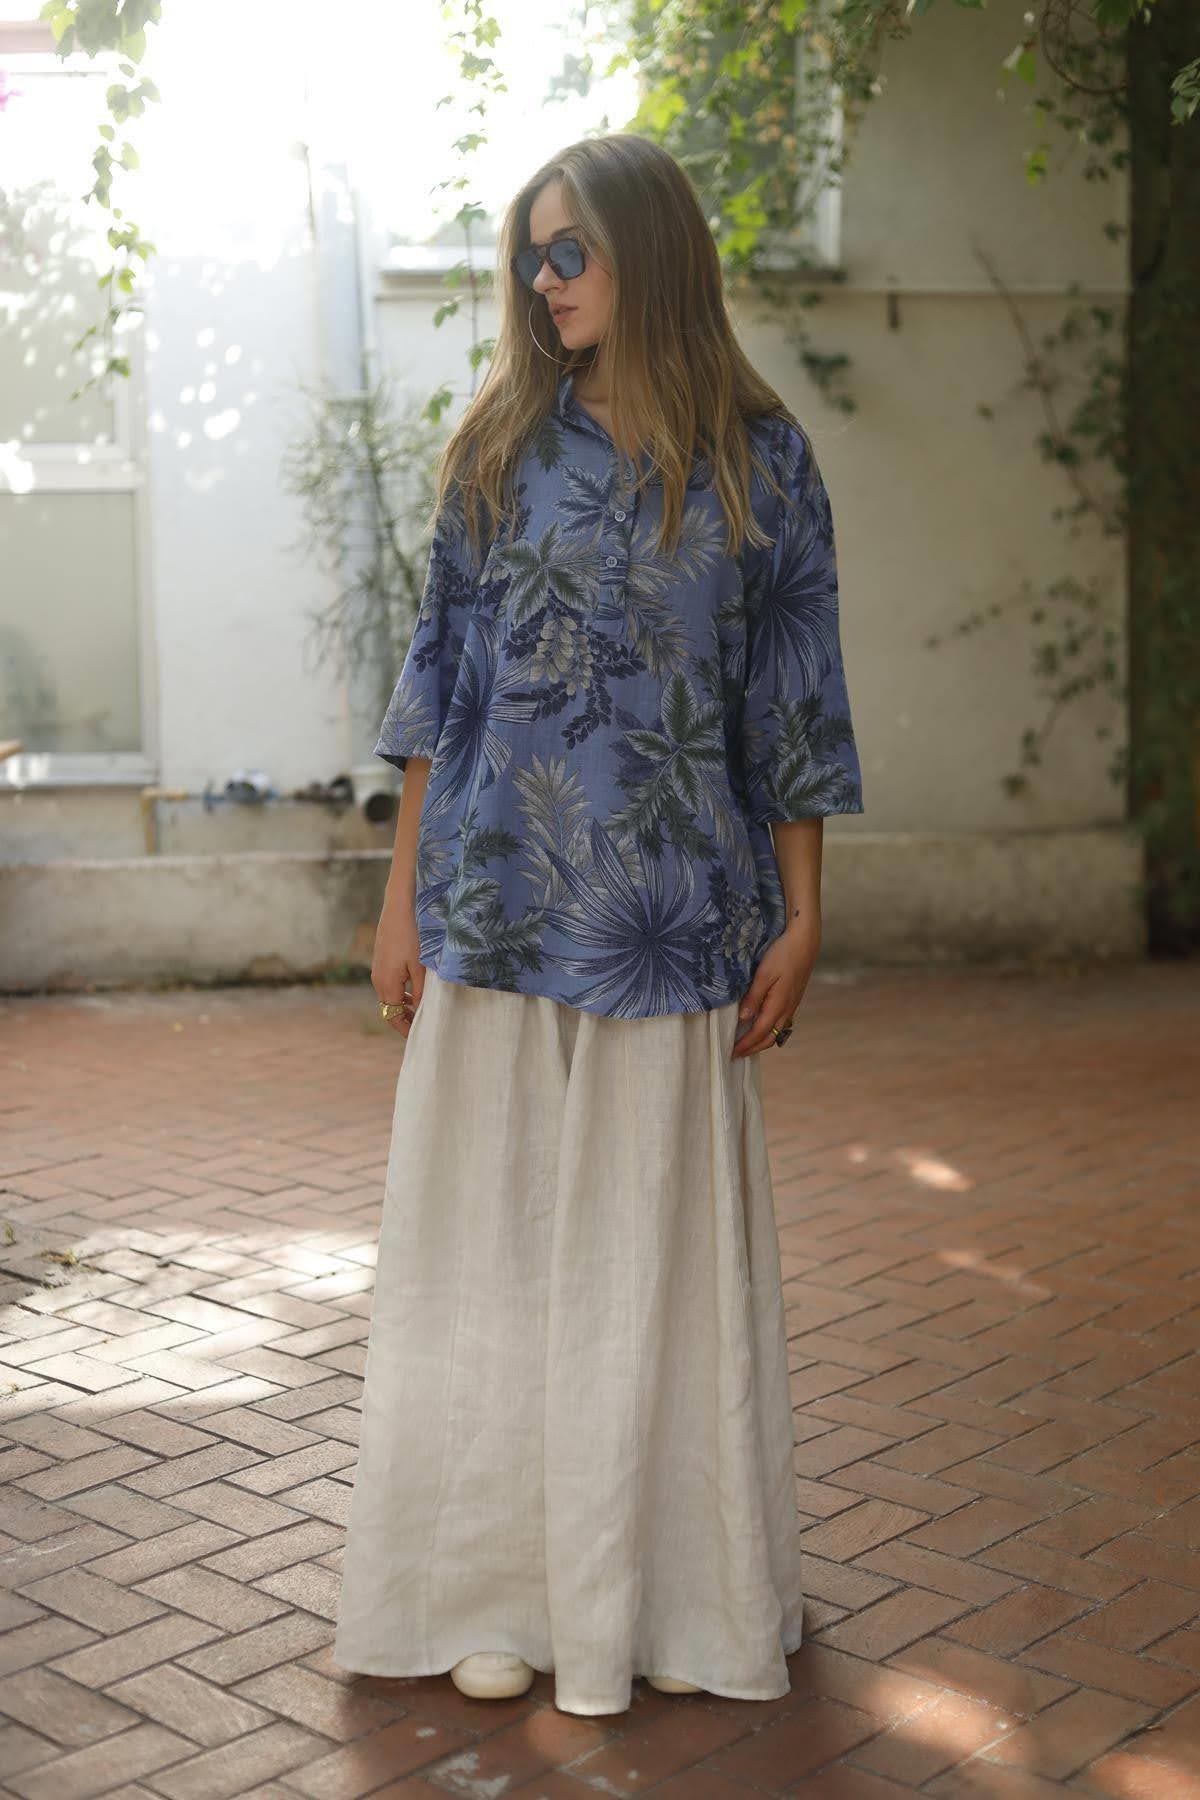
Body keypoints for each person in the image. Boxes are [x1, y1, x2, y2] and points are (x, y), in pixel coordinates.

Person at [333, 131, 864, 1720]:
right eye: (530, 254)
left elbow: (794, 703)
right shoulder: (498, 446)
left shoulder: (761, 463)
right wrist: (399, 896)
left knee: (650, 1270)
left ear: (652, 251)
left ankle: (663, 1591)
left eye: (571, 250)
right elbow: (439, 686)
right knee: (494, 1258)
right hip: (498, 905)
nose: (544, 279)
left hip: (674, 920)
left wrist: (805, 913)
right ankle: (490, 1585)